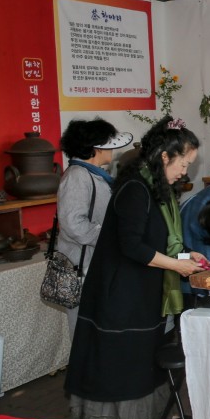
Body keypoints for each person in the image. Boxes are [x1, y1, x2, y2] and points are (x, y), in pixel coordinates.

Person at [65, 117, 204, 419]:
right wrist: (176, 266)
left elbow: (157, 240)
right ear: (164, 157)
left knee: (147, 353)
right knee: (125, 360)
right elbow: (132, 246)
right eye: (183, 164)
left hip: (143, 287)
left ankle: (150, 416)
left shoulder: (157, 189)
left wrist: (186, 256)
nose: (184, 172)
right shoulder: (134, 190)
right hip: (120, 292)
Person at [56, 119, 132, 339]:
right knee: (85, 325)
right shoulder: (78, 176)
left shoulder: (93, 173)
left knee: (97, 322)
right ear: (97, 148)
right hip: (83, 262)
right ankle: (85, 372)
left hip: (95, 259)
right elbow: (73, 223)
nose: (114, 150)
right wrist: (109, 236)